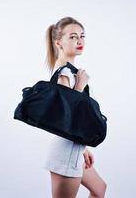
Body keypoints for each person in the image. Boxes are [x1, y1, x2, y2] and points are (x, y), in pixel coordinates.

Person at [43, 16, 107, 198]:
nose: (79, 41)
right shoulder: (64, 72)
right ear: (58, 43)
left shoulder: (70, 70)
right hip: (65, 157)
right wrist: (79, 85)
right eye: (72, 37)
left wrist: (83, 147)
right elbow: (64, 116)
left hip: (74, 150)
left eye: (82, 35)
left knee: (99, 189)